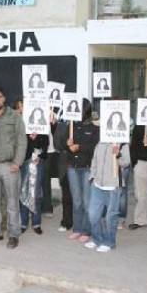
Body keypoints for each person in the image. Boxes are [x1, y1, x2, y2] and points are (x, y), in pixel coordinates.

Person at [0, 86, 27, 249]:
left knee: (12, 202)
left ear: (4, 98)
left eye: (0, 97)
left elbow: (22, 140)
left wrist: (18, 162)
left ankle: (13, 234)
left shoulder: (14, 116)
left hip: (10, 165)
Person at [62, 98, 99, 243]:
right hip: (72, 167)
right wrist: (67, 143)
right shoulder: (71, 126)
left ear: (86, 111)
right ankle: (77, 229)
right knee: (76, 201)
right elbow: (63, 144)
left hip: (87, 168)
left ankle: (86, 230)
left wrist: (79, 147)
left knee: (86, 201)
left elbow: (95, 148)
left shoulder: (95, 129)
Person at [84, 142, 131, 253]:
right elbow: (94, 160)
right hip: (97, 184)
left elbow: (126, 163)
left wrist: (118, 154)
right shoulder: (100, 143)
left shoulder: (123, 144)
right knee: (92, 214)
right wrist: (92, 177)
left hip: (113, 186)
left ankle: (109, 242)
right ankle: (97, 239)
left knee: (111, 216)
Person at [19, 99, 49, 235]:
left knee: (35, 192)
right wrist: (28, 138)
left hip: (37, 161)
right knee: (23, 191)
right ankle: (23, 222)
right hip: (23, 162)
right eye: (20, 107)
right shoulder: (19, 124)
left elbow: (45, 142)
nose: (22, 109)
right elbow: (17, 143)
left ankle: (36, 222)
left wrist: (39, 154)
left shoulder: (42, 124)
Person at [129, 112, 147, 231]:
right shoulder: (138, 126)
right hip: (140, 162)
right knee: (140, 194)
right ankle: (140, 220)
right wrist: (134, 163)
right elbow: (133, 145)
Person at [53, 117, 74, 232]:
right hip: (64, 164)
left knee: (80, 197)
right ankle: (66, 221)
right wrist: (66, 144)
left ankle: (81, 223)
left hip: (80, 165)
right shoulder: (62, 125)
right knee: (66, 195)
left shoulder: (82, 124)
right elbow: (57, 144)